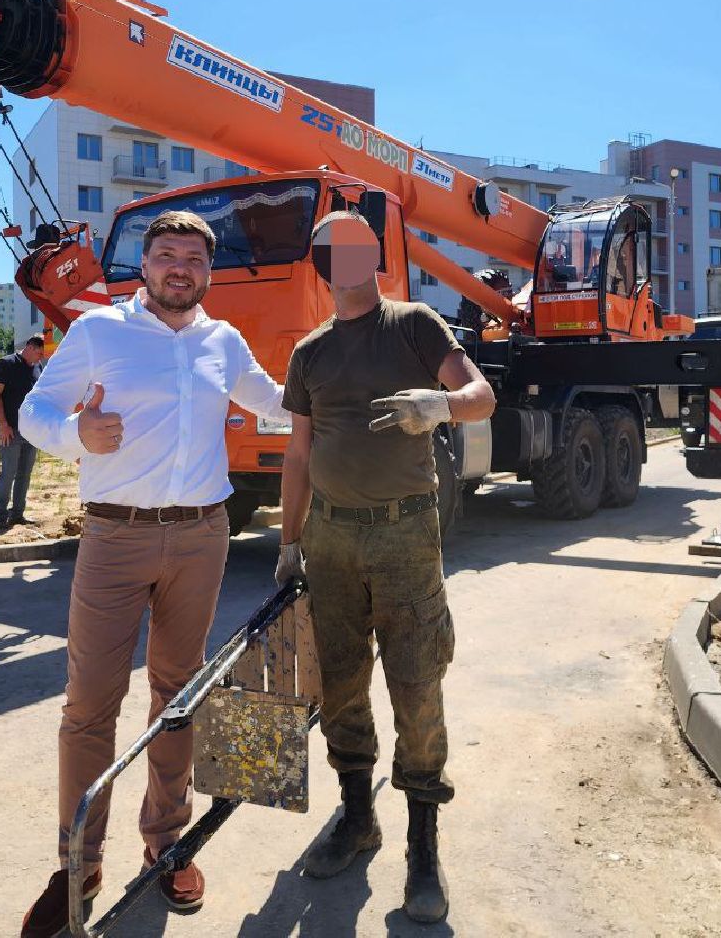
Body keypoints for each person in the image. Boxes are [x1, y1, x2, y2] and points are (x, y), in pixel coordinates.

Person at [15, 210, 285, 936]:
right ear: (145, 264)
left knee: (179, 695)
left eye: (193, 258)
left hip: (202, 536)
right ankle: (78, 863)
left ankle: (167, 843)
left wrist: (351, 394)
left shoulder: (223, 342)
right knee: (89, 704)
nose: (179, 268)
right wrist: (75, 434)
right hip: (115, 536)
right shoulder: (98, 331)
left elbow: (279, 403)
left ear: (208, 270)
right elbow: (35, 410)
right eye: (167, 254)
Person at [275, 212, 495, 924]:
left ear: (374, 258)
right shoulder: (309, 353)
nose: (344, 261)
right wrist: (288, 542)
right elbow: (299, 454)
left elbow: (482, 396)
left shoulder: (413, 325)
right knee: (340, 682)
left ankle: (422, 844)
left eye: (355, 248)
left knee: (416, 681)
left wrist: (441, 405)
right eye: (330, 252)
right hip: (330, 540)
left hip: (404, 535)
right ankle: (356, 815)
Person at [0, 335, 47, 532]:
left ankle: (17, 514)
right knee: (8, 473)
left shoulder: (37, 367)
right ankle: (0, 516)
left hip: (31, 431)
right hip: (10, 430)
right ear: (30, 347)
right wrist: (3, 425)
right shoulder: (6, 364)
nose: (41, 358)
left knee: (24, 474)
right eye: (39, 353)